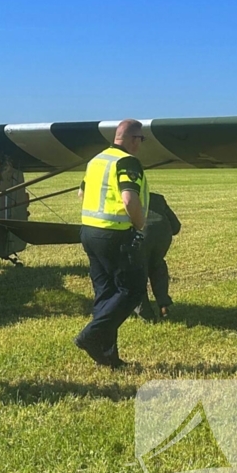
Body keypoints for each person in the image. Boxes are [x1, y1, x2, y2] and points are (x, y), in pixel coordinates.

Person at [74, 119, 150, 368]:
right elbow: (129, 200)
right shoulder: (127, 162)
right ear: (132, 139)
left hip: (89, 232)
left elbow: (81, 194)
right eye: (140, 139)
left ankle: (107, 357)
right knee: (133, 290)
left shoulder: (96, 160)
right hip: (115, 235)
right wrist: (140, 226)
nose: (140, 145)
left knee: (105, 295)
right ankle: (91, 335)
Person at [136, 192, 181, 320]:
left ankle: (145, 312)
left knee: (136, 272)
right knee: (157, 265)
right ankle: (164, 305)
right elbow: (176, 227)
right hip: (163, 235)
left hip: (140, 237)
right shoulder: (157, 198)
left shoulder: (121, 198)